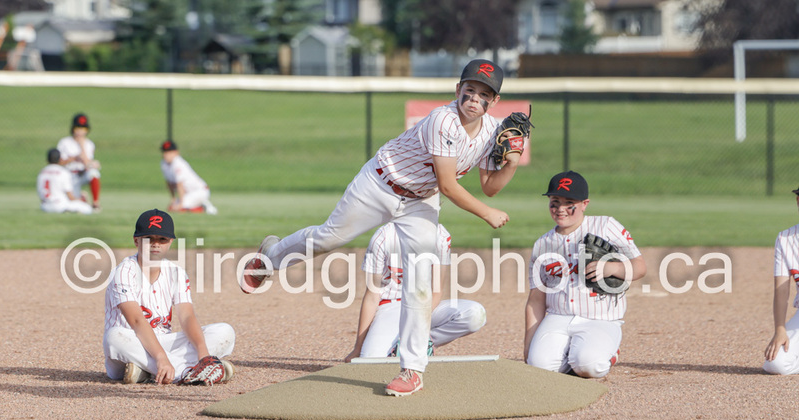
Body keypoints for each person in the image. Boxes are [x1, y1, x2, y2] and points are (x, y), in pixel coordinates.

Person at [241, 59, 524, 396]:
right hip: (380, 183)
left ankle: (412, 370)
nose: (475, 97)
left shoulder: (493, 131)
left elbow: (490, 185)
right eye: (471, 88)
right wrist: (486, 213)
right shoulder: (443, 120)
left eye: (484, 93)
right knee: (329, 238)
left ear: (494, 102)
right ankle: (272, 256)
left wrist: (512, 162)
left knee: (418, 279)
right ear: (458, 90)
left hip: (420, 201)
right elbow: (450, 186)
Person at [524, 171, 646, 378]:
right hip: (558, 317)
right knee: (539, 369)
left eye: (569, 202)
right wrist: (528, 347)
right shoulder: (542, 244)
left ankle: (606, 352)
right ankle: (570, 355)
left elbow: (640, 266)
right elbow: (536, 299)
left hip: (600, 318)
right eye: (555, 202)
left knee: (589, 366)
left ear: (584, 204)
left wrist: (613, 268)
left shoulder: (606, 226)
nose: (561, 209)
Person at [103, 208, 236, 385]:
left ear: (170, 242)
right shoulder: (123, 272)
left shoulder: (176, 273)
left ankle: (147, 371)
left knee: (224, 331)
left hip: (163, 343)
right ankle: (187, 371)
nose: (155, 244)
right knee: (114, 336)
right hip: (131, 345)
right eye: (149, 238)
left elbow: (187, 316)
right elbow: (135, 321)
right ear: (136, 240)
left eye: (162, 239)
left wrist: (204, 354)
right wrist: (160, 357)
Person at [344, 222, 486, 363]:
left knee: (474, 314)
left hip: (424, 306)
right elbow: (372, 296)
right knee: (370, 360)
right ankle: (398, 345)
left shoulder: (440, 235)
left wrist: (418, 326)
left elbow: (436, 291)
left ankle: (419, 344)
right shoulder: (384, 236)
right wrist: (358, 347)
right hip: (391, 307)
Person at [763, 186, 799, 375]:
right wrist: (780, 330)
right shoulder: (786, 239)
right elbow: (781, 291)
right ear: (798, 202)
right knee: (775, 364)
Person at [57, 113, 102, 211]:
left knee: (94, 173)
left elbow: (87, 164)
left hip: (81, 174)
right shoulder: (65, 142)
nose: (80, 131)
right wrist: (74, 158)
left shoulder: (89, 144)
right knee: (69, 204)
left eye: (84, 128)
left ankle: (95, 203)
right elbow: (58, 163)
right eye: (78, 127)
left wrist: (82, 147)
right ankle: (82, 198)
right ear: (73, 128)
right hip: (68, 176)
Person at [159, 140, 218, 215]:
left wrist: (181, 203)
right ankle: (201, 203)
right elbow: (169, 183)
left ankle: (203, 207)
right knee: (172, 208)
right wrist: (173, 199)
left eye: (169, 152)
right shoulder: (163, 164)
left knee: (181, 207)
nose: (166, 155)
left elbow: (180, 185)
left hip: (200, 191)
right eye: (165, 152)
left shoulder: (178, 163)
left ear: (176, 152)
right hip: (188, 193)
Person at [36, 148, 94, 214]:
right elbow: (70, 197)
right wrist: (81, 200)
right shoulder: (63, 172)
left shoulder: (42, 172)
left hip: (45, 206)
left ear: (47, 160)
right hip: (60, 205)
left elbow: (41, 194)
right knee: (88, 209)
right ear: (60, 159)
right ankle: (70, 211)